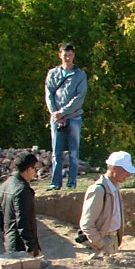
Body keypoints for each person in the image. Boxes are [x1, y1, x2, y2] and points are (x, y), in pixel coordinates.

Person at [79, 150, 135, 257]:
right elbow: (86, 224)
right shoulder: (98, 190)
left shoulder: (114, 188)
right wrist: (100, 243)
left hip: (112, 240)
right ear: (114, 168)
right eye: (125, 170)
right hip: (102, 243)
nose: (128, 174)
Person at [44, 42, 87, 190]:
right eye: (65, 55)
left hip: (73, 117)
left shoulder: (80, 75)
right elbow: (49, 94)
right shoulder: (52, 73)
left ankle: (71, 183)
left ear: (73, 55)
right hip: (56, 118)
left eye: (70, 55)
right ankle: (55, 183)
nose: (67, 58)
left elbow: (79, 97)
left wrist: (63, 112)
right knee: (57, 152)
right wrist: (55, 114)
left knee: (74, 153)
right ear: (60, 55)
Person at [0, 152, 42, 257]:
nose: (35, 171)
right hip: (21, 246)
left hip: (10, 241)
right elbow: (23, 221)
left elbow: (0, 215)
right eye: (34, 168)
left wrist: (6, 235)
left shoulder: (4, 185)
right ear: (28, 169)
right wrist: (30, 246)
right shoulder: (22, 190)